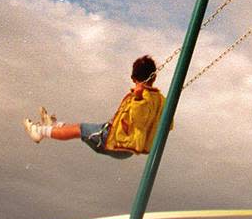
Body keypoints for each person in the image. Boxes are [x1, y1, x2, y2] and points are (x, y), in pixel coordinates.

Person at [22, 55, 166, 159]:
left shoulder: (139, 97)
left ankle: (40, 131)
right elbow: (167, 125)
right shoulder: (161, 100)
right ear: (154, 77)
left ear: (133, 78)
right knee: (79, 127)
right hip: (127, 146)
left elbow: (139, 119)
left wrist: (139, 98)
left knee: (78, 130)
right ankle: (54, 126)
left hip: (115, 142)